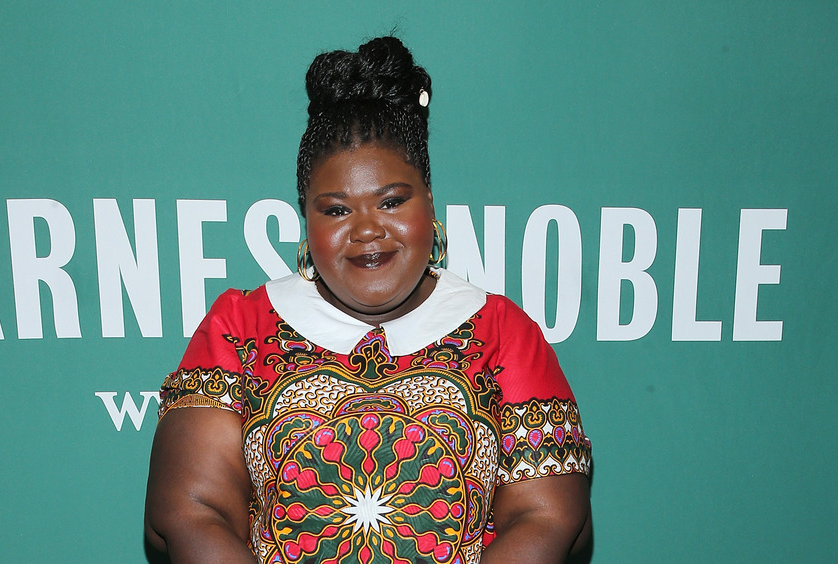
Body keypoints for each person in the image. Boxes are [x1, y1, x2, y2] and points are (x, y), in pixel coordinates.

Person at [145, 36, 592, 564]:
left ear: (429, 200)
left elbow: (549, 517)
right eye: (336, 210)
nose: (366, 230)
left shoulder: (501, 332)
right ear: (305, 219)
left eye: (391, 201)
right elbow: (191, 512)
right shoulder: (240, 326)